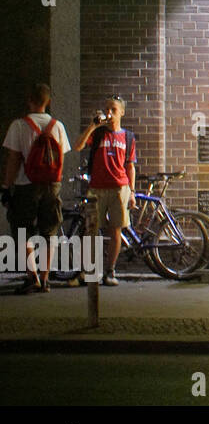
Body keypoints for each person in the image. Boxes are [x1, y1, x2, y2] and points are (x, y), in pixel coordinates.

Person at [2, 83, 72, 293]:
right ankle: (46, 277)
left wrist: (7, 185)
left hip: (26, 185)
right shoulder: (57, 126)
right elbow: (61, 156)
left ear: (29, 100)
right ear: (48, 101)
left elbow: (13, 158)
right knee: (50, 230)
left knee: (23, 230)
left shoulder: (19, 126)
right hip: (52, 185)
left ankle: (32, 276)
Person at [71, 97, 137, 286]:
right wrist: (92, 127)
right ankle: (86, 271)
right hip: (97, 188)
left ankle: (110, 271)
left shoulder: (128, 137)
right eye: (107, 108)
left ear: (121, 112)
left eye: (113, 109)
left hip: (119, 188)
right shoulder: (98, 134)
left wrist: (131, 192)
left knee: (115, 230)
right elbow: (77, 146)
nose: (109, 112)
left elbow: (130, 166)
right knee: (91, 230)